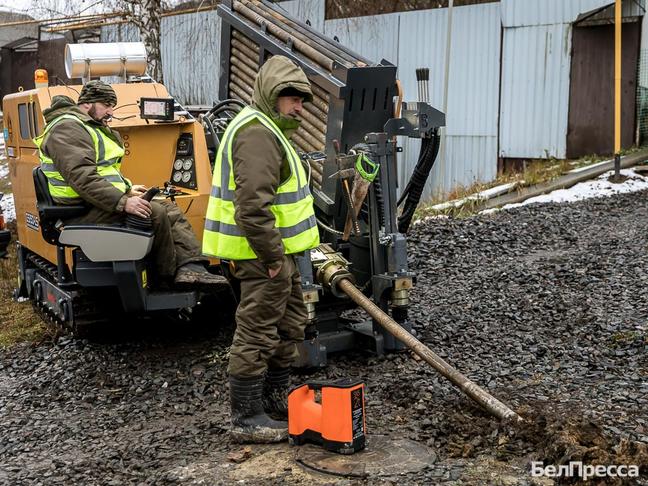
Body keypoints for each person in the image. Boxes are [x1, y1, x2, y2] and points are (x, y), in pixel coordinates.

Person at [202, 55, 320, 443]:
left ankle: (273, 398)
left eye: (302, 99)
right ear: (272, 96)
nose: (299, 106)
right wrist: (272, 260)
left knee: (288, 325)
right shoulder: (257, 133)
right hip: (260, 257)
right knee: (256, 331)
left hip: (273, 255)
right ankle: (247, 417)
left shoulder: (268, 129)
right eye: (291, 98)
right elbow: (252, 206)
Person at [35, 80, 228, 289]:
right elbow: (83, 177)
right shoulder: (67, 128)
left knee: (168, 208)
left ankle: (191, 268)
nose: (111, 111)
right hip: (77, 210)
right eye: (107, 104)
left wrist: (128, 189)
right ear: (88, 103)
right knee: (153, 212)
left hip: (93, 203)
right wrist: (123, 201)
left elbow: (103, 172)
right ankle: (165, 280)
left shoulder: (86, 126)